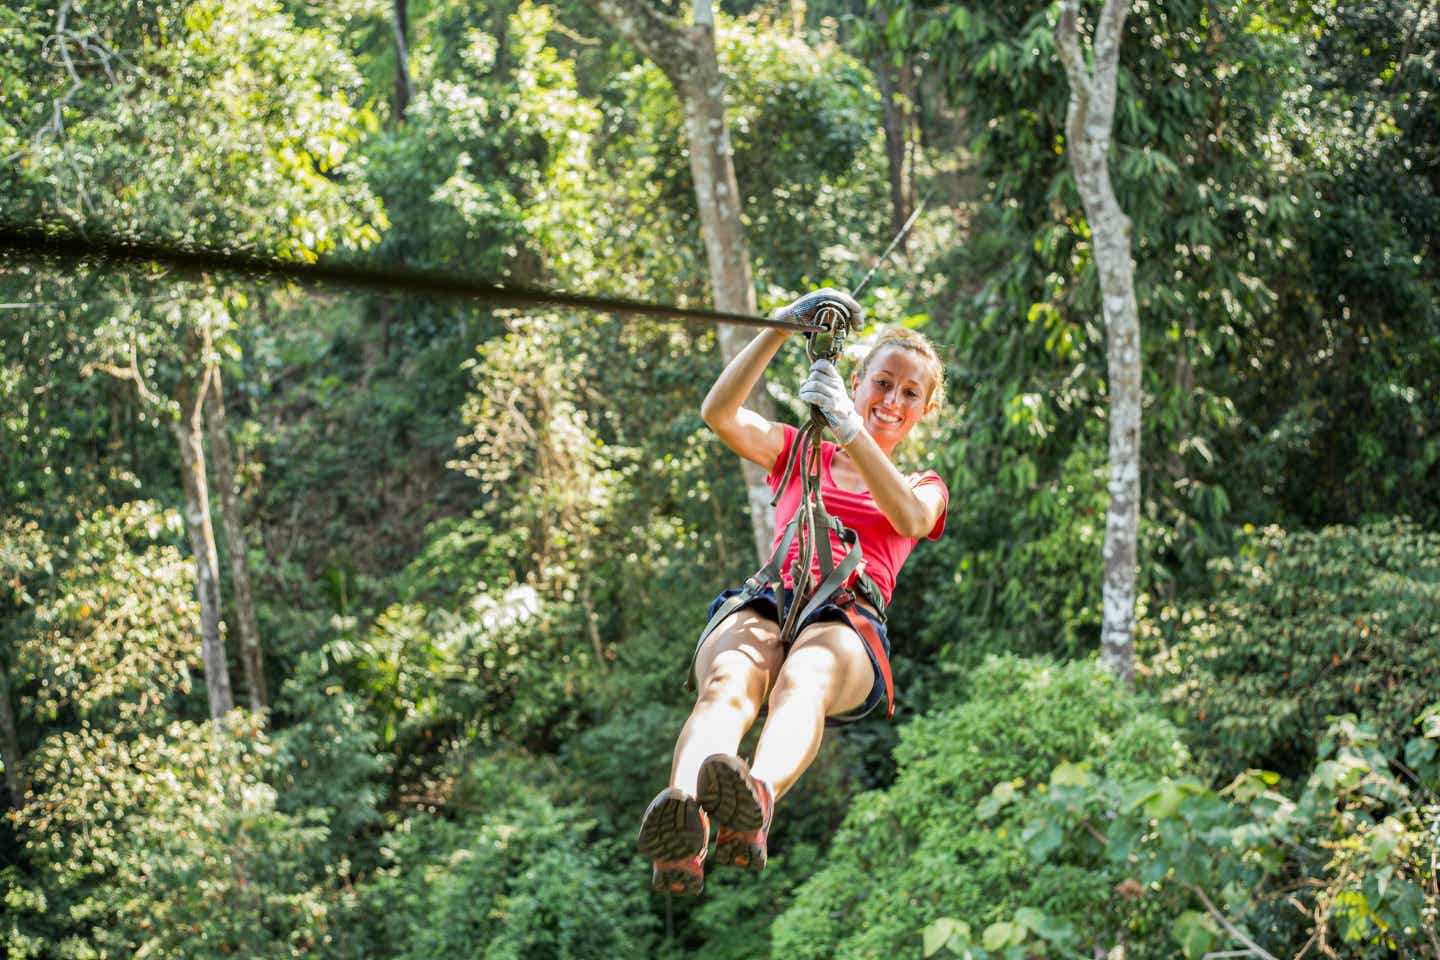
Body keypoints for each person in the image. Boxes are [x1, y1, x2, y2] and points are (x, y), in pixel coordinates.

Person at [637, 289, 949, 895]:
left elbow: (911, 518)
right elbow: (719, 413)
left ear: (925, 409)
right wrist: (778, 328)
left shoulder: (923, 483)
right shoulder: (796, 449)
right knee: (729, 682)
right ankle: (683, 818)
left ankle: (756, 796)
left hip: (847, 618)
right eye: (882, 383)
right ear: (855, 381)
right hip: (770, 597)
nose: (892, 400)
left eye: (910, 393)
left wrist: (853, 430)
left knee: (802, 681)